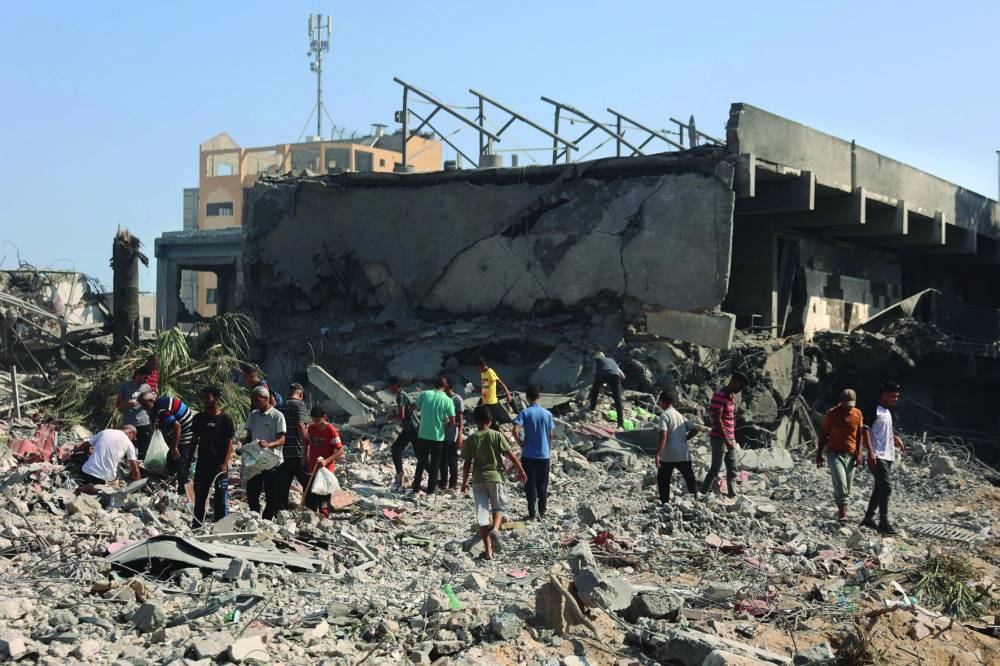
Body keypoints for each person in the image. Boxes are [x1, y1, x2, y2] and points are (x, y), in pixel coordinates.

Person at [461, 405, 528, 560]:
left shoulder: (471, 438)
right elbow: (511, 455)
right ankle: (496, 530)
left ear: (475, 421)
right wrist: (521, 470)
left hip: (478, 480)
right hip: (495, 477)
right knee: (498, 507)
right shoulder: (497, 435)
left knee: (483, 515)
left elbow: (466, 464)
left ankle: (488, 550)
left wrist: (464, 482)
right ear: (490, 420)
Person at [860, 382, 906, 535]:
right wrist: (871, 452)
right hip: (878, 455)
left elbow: (879, 431)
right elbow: (865, 430)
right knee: (886, 487)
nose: (896, 399)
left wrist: (894, 437)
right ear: (885, 394)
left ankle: (868, 518)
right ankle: (883, 523)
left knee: (879, 487)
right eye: (893, 396)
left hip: (887, 455)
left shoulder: (886, 412)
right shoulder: (873, 409)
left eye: (897, 397)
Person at [816, 389, 866, 522]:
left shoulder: (857, 414)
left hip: (851, 455)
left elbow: (860, 435)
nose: (849, 407)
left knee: (848, 486)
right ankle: (842, 515)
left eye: (851, 404)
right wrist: (819, 453)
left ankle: (843, 512)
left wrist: (860, 453)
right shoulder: (832, 414)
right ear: (841, 402)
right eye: (847, 404)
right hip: (834, 454)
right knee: (841, 483)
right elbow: (824, 434)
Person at [189, 387, 235, 527]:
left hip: (220, 466)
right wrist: (188, 459)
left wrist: (225, 463)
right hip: (202, 465)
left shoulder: (225, 419)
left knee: (221, 499)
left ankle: (219, 528)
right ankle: (197, 526)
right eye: (203, 398)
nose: (204, 401)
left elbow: (229, 443)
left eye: (207, 397)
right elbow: (194, 440)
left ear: (216, 399)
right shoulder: (199, 418)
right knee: (200, 498)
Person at [700, 371, 748, 498]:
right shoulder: (720, 395)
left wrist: (731, 439)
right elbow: (717, 419)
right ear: (734, 382)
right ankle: (702, 493)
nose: (740, 390)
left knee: (732, 469)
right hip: (719, 439)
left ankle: (732, 495)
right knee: (715, 468)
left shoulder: (730, 396)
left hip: (729, 439)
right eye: (740, 387)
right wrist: (726, 439)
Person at [139, 391, 195, 495]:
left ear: (151, 401)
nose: (143, 408)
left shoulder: (161, 408)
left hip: (186, 430)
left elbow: (177, 426)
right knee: (171, 458)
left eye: (144, 405)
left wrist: (174, 447)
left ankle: (183, 490)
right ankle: (173, 481)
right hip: (181, 430)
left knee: (180, 461)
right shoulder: (158, 406)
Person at [244, 385, 287, 519]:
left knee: (272, 494)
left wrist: (268, 444)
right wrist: (243, 448)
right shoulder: (253, 415)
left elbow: (282, 439)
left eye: (258, 400)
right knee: (251, 492)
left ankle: (266, 519)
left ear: (266, 399)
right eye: (254, 400)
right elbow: (248, 435)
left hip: (272, 461)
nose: (255, 403)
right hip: (256, 461)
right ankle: (255, 517)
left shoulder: (277, 416)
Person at [512, 385, 554, 520]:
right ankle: (542, 511)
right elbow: (551, 435)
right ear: (539, 396)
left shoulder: (525, 413)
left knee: (530, 484)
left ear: (527, 398)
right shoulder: (547, 414)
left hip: (528, 454)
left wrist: (520, 442)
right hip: (543, 455)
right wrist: (548, 448)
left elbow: (515, 430)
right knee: (543, 485)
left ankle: (531, 513)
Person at [411, 375, 456, 495]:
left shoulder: (425, 395)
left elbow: (413, 407)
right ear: (446, 386)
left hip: (423, 435)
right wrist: (442, 424)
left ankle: (415, 488)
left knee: (421, 462)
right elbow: (452, 421)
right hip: (437, 437)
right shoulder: (448, 400)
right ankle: (430, 491)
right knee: (435, 464)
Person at [654, 390, 699, 504]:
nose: (659, 403)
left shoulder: (664, 416)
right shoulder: (680, 416)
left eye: (659, 401)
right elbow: (694, 429)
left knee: (663, 480)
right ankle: (696, 500)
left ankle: (665, 504)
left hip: (668, 455)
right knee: (689, 478)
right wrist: (685, 439)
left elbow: (663, 434)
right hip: (683, 454)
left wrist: (658, 453)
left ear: (663, 402)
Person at [274, 383, 311, 513]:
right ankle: (311, 510)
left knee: (283, 484)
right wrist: (306, 444)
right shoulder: (299, 405)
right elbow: (301, 425)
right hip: (296, 451)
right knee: (308, 482)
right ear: (300, 394)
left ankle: (281, 511)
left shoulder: (278, 407)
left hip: (282, 453)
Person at [306, 405, 344, 516]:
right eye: (314, 420)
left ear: (325, 417)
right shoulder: (311, 428)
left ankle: (324, 518)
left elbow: (340, 450)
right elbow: (306, 442)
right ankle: (311, 517)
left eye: (318, 420)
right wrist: (304, 457)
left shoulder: (331, 431)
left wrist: (326, 461)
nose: (316, 423)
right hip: (312, 467)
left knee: (324, 496)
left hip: (325, 469)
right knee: (312, 494)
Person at [388, 377, 419, 491]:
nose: (389, 389)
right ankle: (400, 475)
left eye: (390, 386)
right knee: (396, 449)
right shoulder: (404, 395)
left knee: (420, 455)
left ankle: (434, 478)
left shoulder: (401, 396)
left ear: (396, 385)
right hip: (409, 429)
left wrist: (392, 417)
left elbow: (402, 416)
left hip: (413, 429)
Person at [116, 367, 153, 458]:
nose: (146, 380)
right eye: (145, 377)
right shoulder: (125, 386)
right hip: (129, 424)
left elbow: (151, 404)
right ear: (138, 375)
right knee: (126, 452)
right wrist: (126, 404)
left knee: (144, 452)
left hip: (144, 423)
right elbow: (117, 405)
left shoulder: (147, 387)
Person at [438, 377, 465, 493]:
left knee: (452, 461)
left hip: (452, 435)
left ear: (448, 386)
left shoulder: (457, 399)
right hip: (440, 435)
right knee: (442, 461)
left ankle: (453, 484)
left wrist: (460, 436)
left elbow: (460, 420)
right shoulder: (442, 398)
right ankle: (443, 483)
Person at [589, 351, 626, 429]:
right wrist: (616, 385)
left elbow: (594, 373)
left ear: (596, 357)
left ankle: (592, 408)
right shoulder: (612, 361)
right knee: (618, 399)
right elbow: (623, 376)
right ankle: (620, 424)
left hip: (602, 375)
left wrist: (600, 384)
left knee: (594, 391)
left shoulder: (596, 360)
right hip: (615, 377)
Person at [478, 358, 513, 430]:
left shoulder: (490, 372)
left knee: (502, 421)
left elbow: (500, 383)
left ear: (482, 365)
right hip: (486, 403)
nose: (477, 369)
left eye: (478, 367)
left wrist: (508, 394)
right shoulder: (482, 373)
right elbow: (485, 388)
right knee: (490, 424)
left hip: (492, 403)